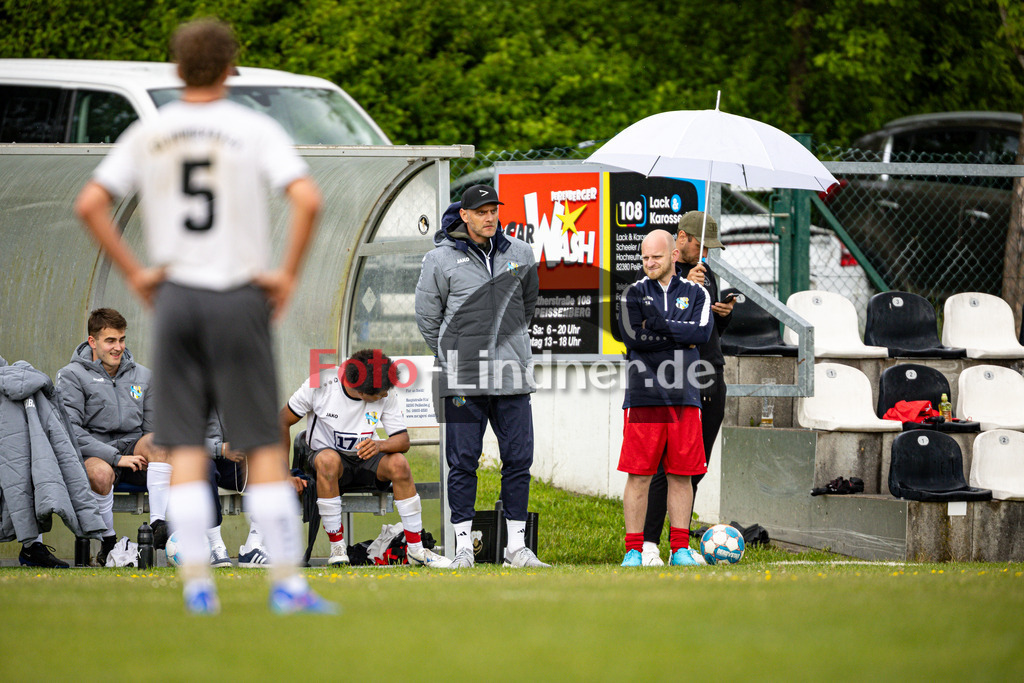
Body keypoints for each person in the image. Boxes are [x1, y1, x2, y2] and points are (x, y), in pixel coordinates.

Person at [74, 19, 330, 614]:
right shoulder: (251, 126)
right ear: (230, 66)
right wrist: (286, 274)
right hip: (237, 294)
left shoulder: (151, 131)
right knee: (263, 443)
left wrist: (137, 272)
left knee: (185, 444)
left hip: (178, 298)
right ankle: (288, 584)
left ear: (178, 68)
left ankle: (197, 584)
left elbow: (90, 203)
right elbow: (308, 199)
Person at [414, 184, 549, 569]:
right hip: (461, 380)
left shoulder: (521, 253)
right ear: (465, 215)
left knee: (519, 460)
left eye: (494, 210)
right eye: (482, 211)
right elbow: (427, 319)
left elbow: (527, 306)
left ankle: (516, 549)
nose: (490, 217)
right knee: (462, 463)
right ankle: (461, 550)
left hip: (512, 378)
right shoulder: (438, 260)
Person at [281, 349, 451, 568]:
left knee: (398, 463)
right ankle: (337, 548)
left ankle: (417, 549)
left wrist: (379, 444)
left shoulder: (385, 392)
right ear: (360, 392)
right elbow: (281, 421)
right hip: (328, 463)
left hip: (365, 460)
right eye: (380, 394)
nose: (386, 396)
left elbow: (403, 441)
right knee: (328, 460)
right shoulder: (320, 384)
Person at [641, 211, 734, 566]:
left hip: (710, 377)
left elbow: (708, 335)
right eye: (702, 245)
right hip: (674, 383)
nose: (706, 254)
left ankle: (679, 544)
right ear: (682, 239)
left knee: (695, 467)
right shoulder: (654, 277)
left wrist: (723, 315)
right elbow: (651, 327)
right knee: (665, 468)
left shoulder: (704, 276)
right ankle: (649, 544)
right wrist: (683, 284)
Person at [617, 229, 713, 567]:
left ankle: (680, 550)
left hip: (684, 396)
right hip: (644, 396)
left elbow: (700, 333)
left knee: (681, 475)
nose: (649, 263)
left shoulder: (697, 293)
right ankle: (634, 550)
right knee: (639, 475)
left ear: (674, 255)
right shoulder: (632, 293)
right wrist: (675, 335)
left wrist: (655, 328)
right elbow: (633, 338)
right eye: (644, 258)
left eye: (655, 257)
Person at [56, 308, 172, 566]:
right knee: (100, 474)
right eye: (110, 340)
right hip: (93, 454)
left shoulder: (143, 376)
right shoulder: (72, 375)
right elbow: (71, 433)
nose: (118, 347)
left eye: (121, 339)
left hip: (133, 453)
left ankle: (157, 528)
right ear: (92, 341)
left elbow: (150, 430)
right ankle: (108, 544)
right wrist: (116, 457)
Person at [204, 409, 268, 567]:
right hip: (198, 458)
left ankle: (252, 547)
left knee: (270, 468)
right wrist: (220, 449)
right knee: (204, 468)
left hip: (229, 459)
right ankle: (215, 546)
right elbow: (181, 437)